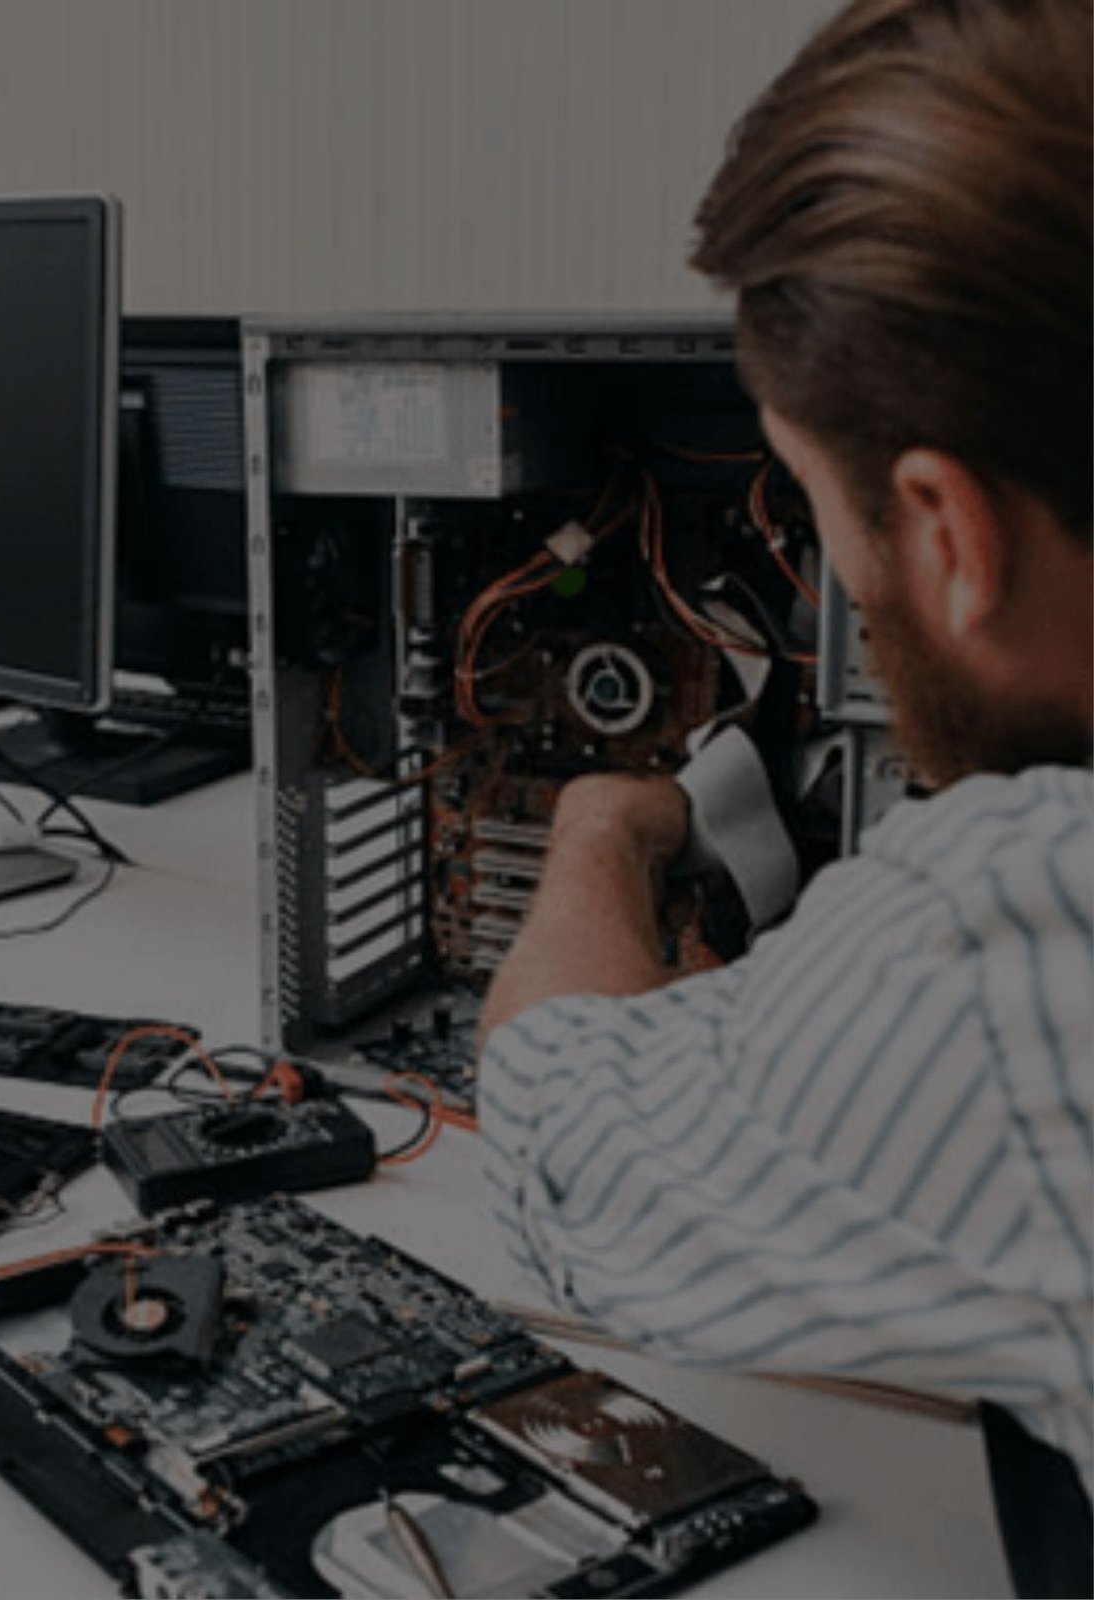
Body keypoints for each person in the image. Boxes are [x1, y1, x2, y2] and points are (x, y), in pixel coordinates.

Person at [478, 0, 1092, 1591]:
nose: (837, 589)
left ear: (948, 533)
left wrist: (598, 831)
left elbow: (559, 1145)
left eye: (824, 517)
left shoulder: (1033, 931)